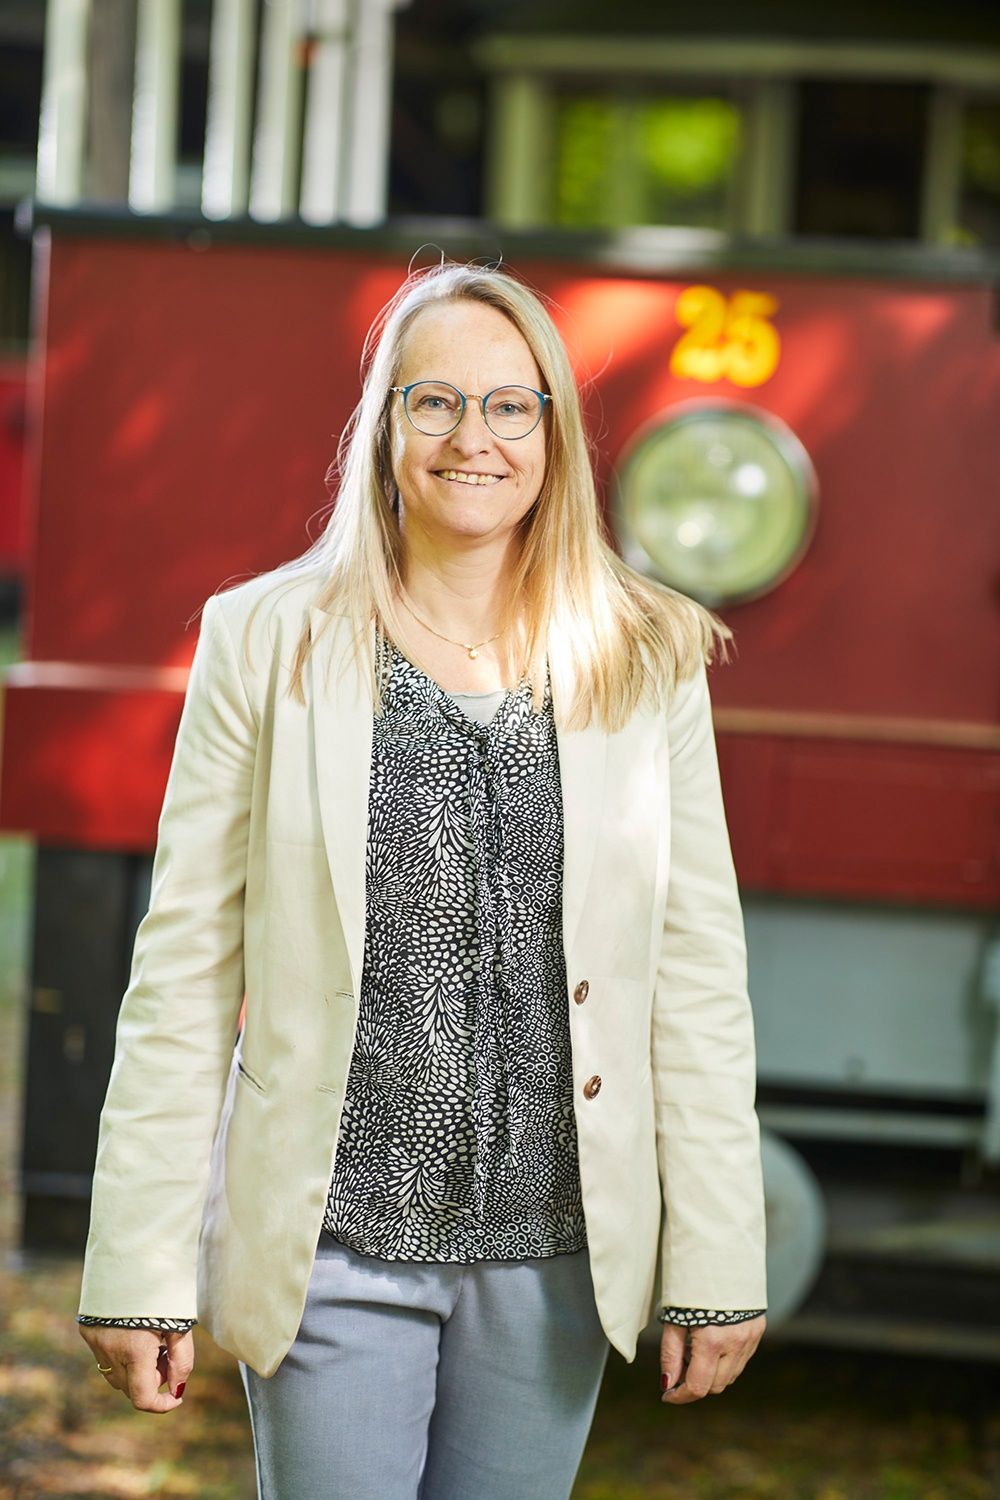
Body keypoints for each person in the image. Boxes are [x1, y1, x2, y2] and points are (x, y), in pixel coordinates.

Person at [76, 260, 767, 1499]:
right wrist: (137, 1270)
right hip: (332, 1252)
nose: (471, 439)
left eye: (508, 406)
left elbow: (696, 974)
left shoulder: (646, 655)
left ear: (552, 434)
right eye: (433, 401)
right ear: (384, 426)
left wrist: (717, 1257)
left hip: (554, 1264)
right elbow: (181, 974)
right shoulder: (264, 640)